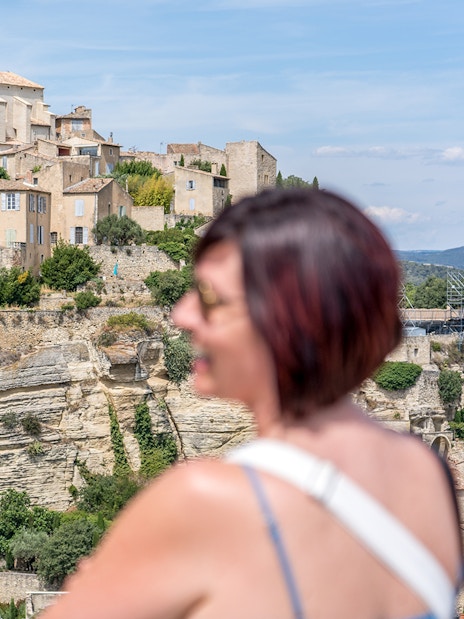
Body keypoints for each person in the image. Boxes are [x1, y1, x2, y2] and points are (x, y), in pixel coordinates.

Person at [42, 188, 461, 619]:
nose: (181, 315)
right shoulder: (427, 474)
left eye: (210, 298)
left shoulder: (204, 501)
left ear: (288, 321)